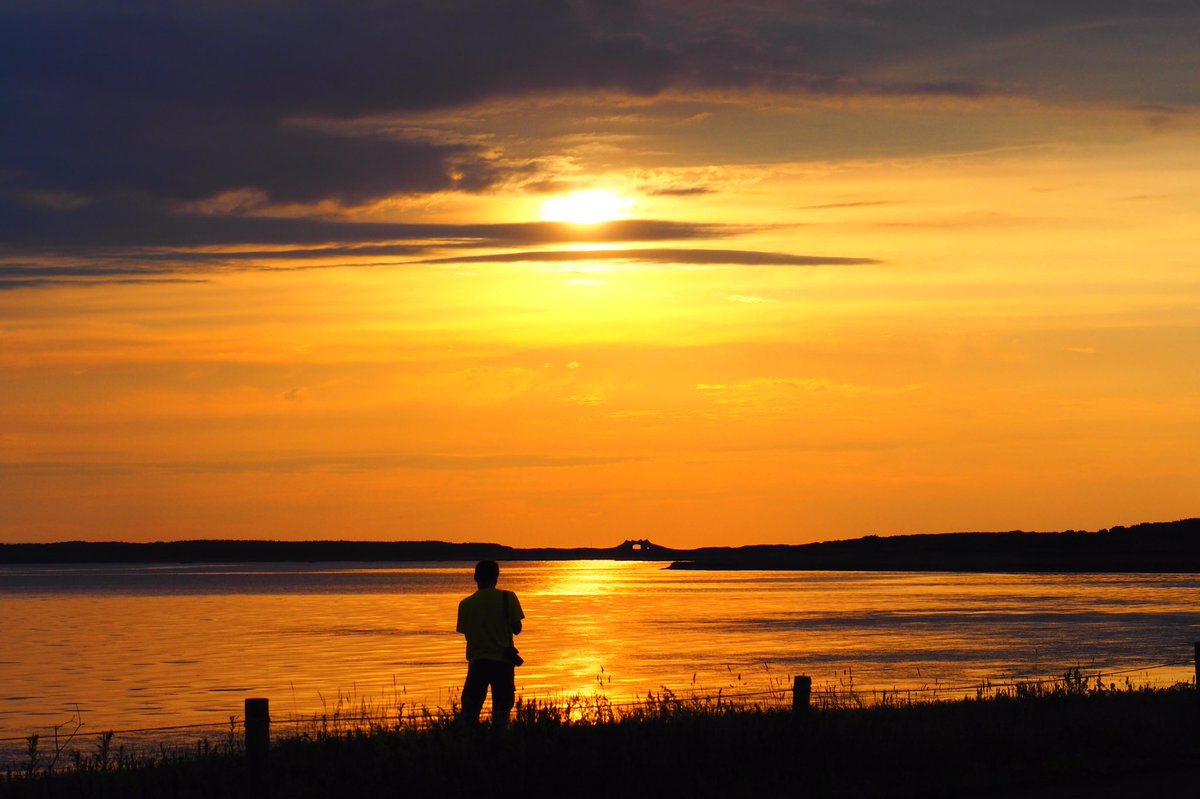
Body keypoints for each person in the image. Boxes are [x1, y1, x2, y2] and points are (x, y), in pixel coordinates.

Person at [456, 559, 524, 728]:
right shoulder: (508, 598)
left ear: (475, 578)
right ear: (496, 577)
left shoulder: (465, 604)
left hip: (478, 664)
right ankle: (499, 746)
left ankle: (470, 746)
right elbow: (517, 629)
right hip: (503, 664)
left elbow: (467, 634)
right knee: (502, 714)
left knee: (470, 713)